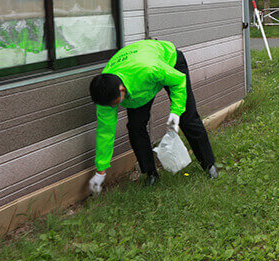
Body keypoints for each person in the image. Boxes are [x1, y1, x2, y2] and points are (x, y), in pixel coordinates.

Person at [87, 39, 218, 193]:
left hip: (169, 63)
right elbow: (105, 132)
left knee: (187, 117)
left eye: (115, 103)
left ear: (122, 90)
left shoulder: (149, 69)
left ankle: (209, 165)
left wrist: (176, 111)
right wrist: (100, 171)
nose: (114, 107)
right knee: (136, 127)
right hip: (139, 85)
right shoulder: (105, 95)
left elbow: (178, 80)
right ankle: (151, 174)